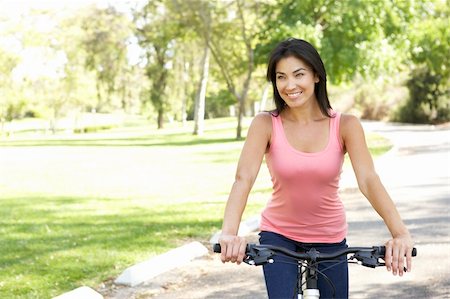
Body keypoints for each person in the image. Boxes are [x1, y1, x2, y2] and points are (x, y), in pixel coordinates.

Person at [218, 38, 414, 299]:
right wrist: (229, 234)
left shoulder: (346, 125)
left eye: (299, 75)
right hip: (278, 238)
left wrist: (400, 234)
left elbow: (368, 180)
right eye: (281, 77)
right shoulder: (265, 124)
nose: (290, 85)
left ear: (316, 76)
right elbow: (243, 179)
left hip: (330, 239)